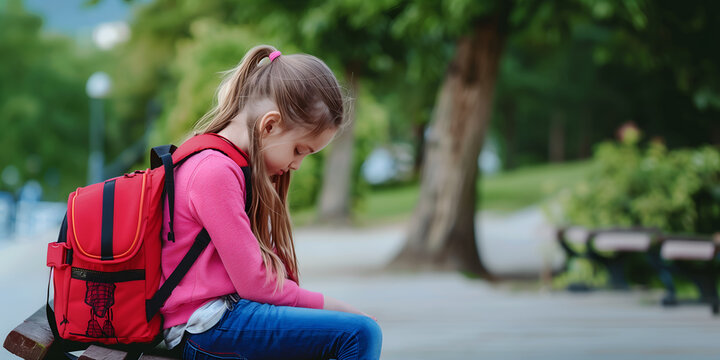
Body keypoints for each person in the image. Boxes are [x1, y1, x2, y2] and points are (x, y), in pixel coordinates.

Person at [159, 45, 382, 360]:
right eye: (300, 150)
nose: (297, 165)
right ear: (270, 125)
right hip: (204, 327)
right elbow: (257, 286)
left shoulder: (225, 164)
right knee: (359, 333)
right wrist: (342, 310)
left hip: (218, 321)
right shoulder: (215, 171)